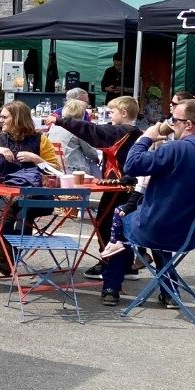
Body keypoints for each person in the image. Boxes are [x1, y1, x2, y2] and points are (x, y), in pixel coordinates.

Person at [96, 98, 195, 307]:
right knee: (161, 222)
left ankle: (111, 286)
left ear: (189, 125)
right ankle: (169, 291)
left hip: (157, 229)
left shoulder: (176, 149)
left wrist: (146, 138)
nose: (171, 123)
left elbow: (132, 165)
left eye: (174, 120)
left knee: (121, 214)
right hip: (189, 234)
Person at [47, 95, 143, 276]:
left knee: (104, 223)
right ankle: (127, 262)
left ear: (123, 113)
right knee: (123, 225)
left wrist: (61, 120)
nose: (109, 115)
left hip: (119, 186)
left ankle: (110, 262)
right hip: (132, 186)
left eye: (112, 112)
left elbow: (92, 131)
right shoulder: (137, 132)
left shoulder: (120, 132)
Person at [0, 100, 64, 275]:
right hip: (4, 193)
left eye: (4, 117)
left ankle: (5, 256)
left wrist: (36, 159)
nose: (0, 120)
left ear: (17, 118)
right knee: (13, 209)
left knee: (21, 210)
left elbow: (56, 172)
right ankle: (8, 258)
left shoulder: (40, 140)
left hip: (36, 195)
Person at [48, 98, 102, 178]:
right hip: (75, 169)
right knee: (95, 163)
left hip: (58, 167)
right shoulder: (78, 130)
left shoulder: (54, 129)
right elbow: (91, 153)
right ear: (82, 113)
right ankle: (102, 183)